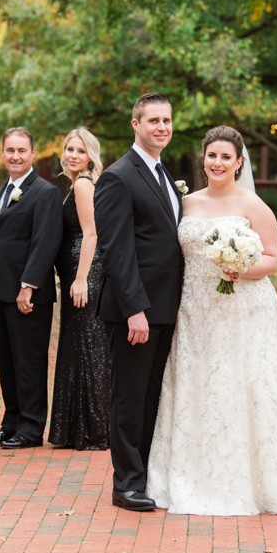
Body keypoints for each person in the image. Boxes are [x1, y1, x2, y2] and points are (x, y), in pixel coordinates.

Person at [147, 125, 277, 515]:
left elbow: (272, 260)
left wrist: (238, 267)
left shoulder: (253, 206)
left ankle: (256, 479)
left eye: (226, 157)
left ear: (239, 162)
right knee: (199, 386)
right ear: (203, 159)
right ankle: (190, 474)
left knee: (242, 385)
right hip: (195, 312)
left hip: (244, 312)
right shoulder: (186, 204)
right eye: (212, 155)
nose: (218, 162)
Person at [94, 93, 183, 512]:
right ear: (136, 124)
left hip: (167, 307)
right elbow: (116, 250)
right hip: (137, 311)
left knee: (152, 397)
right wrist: (134, 309)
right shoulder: (118, 177)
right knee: (129, 397)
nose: (162, 127)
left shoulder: (165, 174)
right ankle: (125, 484)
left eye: (166, 120)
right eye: (153, 121)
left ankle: (146, 475)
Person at [0, 127, 63, 449]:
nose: (15, 156)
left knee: (29, 362)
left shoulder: (45, 192)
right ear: (3, 153)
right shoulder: (3, 190)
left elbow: (45, 243)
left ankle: (30, 428)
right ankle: (11, 421)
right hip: (0, 292)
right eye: (10, 150)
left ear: (33, 153)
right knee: (8, 361)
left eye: (21, 150)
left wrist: (28, 286)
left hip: (27, 294)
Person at [49, 127, 111, 450]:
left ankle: (94, 429)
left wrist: (81, 278)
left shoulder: (84, 184)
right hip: (76, 268)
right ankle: (79, 427)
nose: (74, 155)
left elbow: (91, 234)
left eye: (81, 151)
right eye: (70, 149)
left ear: (90, 156)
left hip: (83, 269)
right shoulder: (74, 184)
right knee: (80, 342)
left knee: (89, 344)